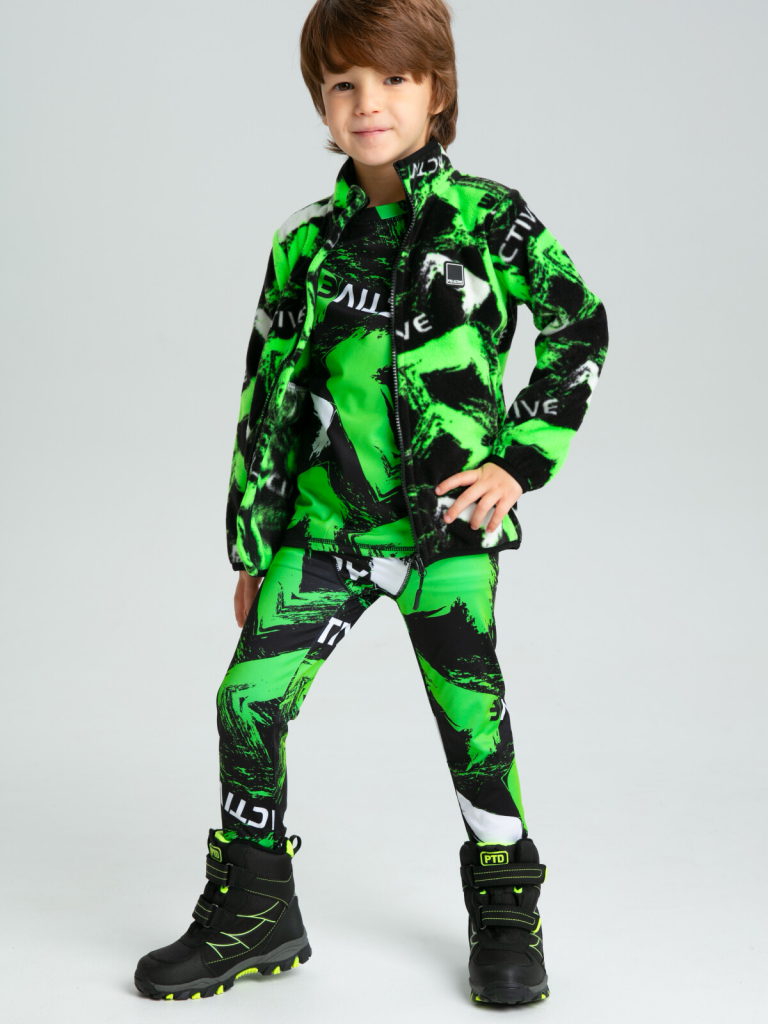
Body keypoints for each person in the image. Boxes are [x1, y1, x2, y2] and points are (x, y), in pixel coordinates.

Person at [134, 0, 608, 1006]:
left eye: (394, 80)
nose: (369, 104)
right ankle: (255, 907)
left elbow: (579, 327)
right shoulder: (304, 241)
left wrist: (519, 462)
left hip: (448, 537)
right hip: (323, 530)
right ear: (321, 101)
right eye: (343, 83)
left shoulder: (489, 218)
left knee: (472, 720)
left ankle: (506, 909)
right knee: (246, 701)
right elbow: (267, 397)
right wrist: (253, 544)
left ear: (437, 91)